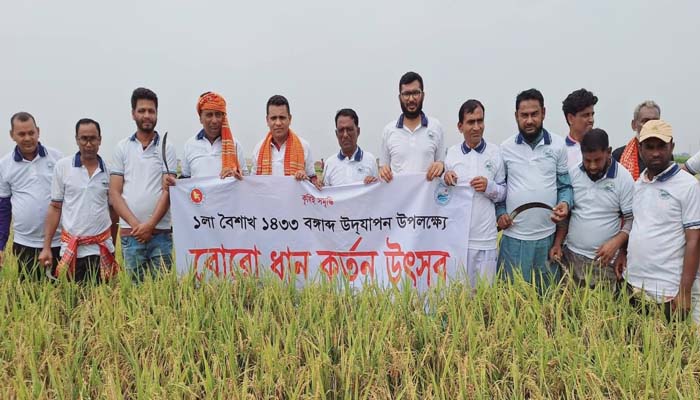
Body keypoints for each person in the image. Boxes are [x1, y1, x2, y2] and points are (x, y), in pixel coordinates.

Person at [623, 120, 700, 323]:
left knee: (669, 342)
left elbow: (694, 240)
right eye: (649, 147)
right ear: (640, 149)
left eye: (661, 146)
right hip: (635, 285)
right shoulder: (639, 184)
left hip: (668, 291)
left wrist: (684, 291)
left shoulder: (688, 185)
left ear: (671, 146)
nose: (656, 153)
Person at [497, 89, 573, 288]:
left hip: (546, 238)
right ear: (516, 116)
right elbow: (499, 191)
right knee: (510, 298)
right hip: (514, 239)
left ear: (544, 113)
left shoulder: (558, 146)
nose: (529, 120)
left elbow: (565, 186)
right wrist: (501, 214)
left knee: (547, 298)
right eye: (524, 115)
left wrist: (565, 203)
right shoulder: (505, 148)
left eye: (534, 114)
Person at [550, 129, 634, 287]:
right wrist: (558, 243)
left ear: (608, 152)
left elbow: (631, 220)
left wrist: (616, 244)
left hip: (604, 262)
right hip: (571, 256)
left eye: (597, 160)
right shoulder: (574, 174)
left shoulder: (623, 179)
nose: (592, 166)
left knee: (601, 303)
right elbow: (566, 215)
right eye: (587, 160)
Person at [38, 119, 119, 282]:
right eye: (84, 139)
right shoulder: (63, 167)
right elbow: (55, 207)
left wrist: (112, 245)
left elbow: (113, 210)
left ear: (100, 140)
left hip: (101, 249)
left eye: (93, 138)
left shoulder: (109, 171)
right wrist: (46, 247)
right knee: (71, 295)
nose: (88, 144)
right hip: (71, 249)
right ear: (77, 140)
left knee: (102, 295)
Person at [109, 87, 177, 281]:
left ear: (156, 114)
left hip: (161, 233)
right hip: (131, 234)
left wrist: (151, 225)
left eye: (151, 111)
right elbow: (114, 193)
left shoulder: (167, 147)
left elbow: (168, 191)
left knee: (163, 291)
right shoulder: (122, 148)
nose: (147, 115)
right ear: (133, 114)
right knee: (133, 291)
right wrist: (137, 226)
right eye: (142, 111)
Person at [443, 100, 505, 287]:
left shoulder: (495, 153)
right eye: (471, 122)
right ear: (460, 126)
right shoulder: (451, 154)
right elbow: (441, 194)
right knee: (459, 296)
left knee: (486, 297)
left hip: (486, 239)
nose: (477, 127)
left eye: (480, 121)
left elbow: (504, 193)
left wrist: (489, 187)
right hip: (458, 239)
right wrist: (445, 179)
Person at [0, 112, 62, 279]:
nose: (27, 138)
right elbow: (3, 209)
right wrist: (0, 246)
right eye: (21, 134)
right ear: (12, 135)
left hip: (58, 241)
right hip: (25, 243)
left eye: (31, 133)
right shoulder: (4, 165)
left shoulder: (57, 158)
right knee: (30, 290)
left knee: (63, 290)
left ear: (38, 131)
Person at [379, 71, 445, 182]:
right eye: (406, 94)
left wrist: (441, 166)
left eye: (415, 93)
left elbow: (442, 165)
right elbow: (383, 168)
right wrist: (383, 171)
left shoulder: (436, 127)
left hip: (428, 193)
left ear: (423, 95)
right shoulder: (388, 130)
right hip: (399, 193)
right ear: (400, 97)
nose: (411, 99)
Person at [251, 95, 318, 186]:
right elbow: (253, 183)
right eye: (273, 118)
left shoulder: (304, 146)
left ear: (289, 119)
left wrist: (305, 179)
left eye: (282, 117)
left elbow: (313, 182)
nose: (278, 123)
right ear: (267, 120)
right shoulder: (258, 149)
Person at [180, 91, 247, 179]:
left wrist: (236, 176)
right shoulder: (189, 145)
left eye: (218, 115)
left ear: (223, 117)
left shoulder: (235, 145)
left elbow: (246, 180)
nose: (214, 120)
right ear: (200, 119)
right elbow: (185, 180)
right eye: (209, 115)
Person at [321, 108, 378, 186]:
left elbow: (377, 191)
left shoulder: (370, 161)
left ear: (358, 131)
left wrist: (372, 183)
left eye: (349, 129)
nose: (345, 135)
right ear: (336, 134)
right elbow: (326, 192)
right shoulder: (330, 164)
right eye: (341, 130)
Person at [612, 100, 661, 180]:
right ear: (634, 125)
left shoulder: (664, 155)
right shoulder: (619, 155)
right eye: (646, 121)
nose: (651, 125)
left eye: (655, 121)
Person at [561, 88, 597, 169]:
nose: (591, 120)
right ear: (570, 118)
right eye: (586, 115)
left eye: (592, 114)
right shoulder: (560, 152)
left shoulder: (600, 148)